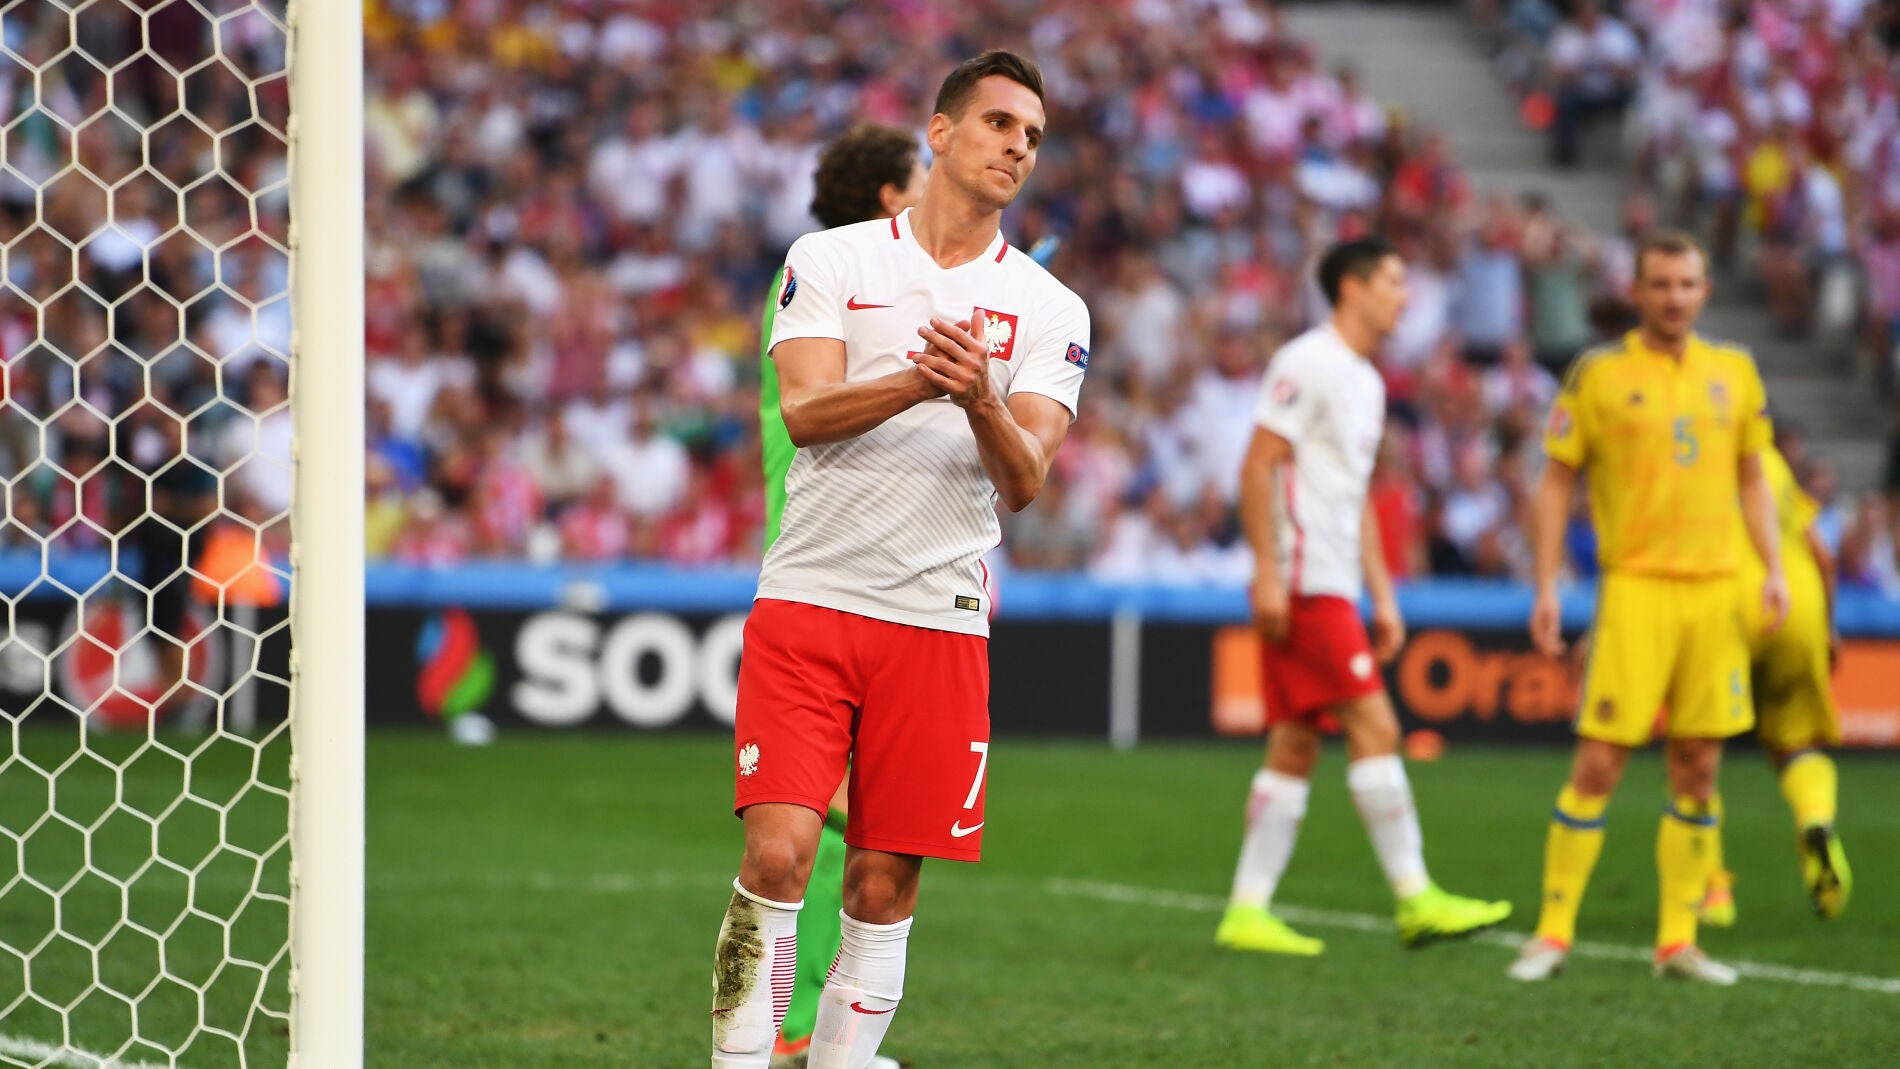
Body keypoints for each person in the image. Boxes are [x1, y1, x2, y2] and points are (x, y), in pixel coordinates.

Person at [709, 51, 1089, 1069]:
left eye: (1032, 136)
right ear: (940, 132)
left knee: (883, 884)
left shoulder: (1052, 309)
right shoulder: (830, 260)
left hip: (937, 619)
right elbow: (806, 411)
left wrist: (980, 399)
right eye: (1000, 123)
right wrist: (923, 382)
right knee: (778, 854)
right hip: (809, 600)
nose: (1017, 145)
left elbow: (1026, 476)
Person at [1215, 237, 1511, 957]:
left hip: (1336, 580)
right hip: (1305, 580)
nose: (1405, 297)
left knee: (1296, 740)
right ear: (1352, 286)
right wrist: (1265, 572)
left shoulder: (1369, 381)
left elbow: (1355, 499)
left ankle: (1246, 909)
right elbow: (1257, 469)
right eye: (1393, 281)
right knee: (1376, 728)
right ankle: (1416, 897)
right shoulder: (1307, 362)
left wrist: (1383, 595)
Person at [1509, 232, 1788, 986]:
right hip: (1634, 588)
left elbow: (1753, 478)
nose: (1674, 296)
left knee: (1697, 768)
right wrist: (1545, 585)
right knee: (1599, 760)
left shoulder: (1734, 372)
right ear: (1635, 292)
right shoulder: (1598, 375)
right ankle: (1553, 931)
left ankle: (1679, 941)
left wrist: (1773, 568)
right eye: (1660, 283)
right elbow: (1556, 481)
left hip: (1714, 591)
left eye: (1687, 283)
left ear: (1705, 292)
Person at [756, 121, 924, 1069]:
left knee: (832, 833)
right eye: (920, 182)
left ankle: (799, 1035)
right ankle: (799, 1040)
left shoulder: (801, 290)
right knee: (841, 828)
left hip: (829, 566)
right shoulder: (837, 291)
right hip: (839, 577)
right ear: (892, 200)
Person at [1697, 438, 1850, 927]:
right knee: (1797, 743)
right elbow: (1822, 555)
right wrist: (1827, 626)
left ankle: (1713, 888)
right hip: (1796, 600)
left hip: (1728, 602)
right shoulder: (1772, 462)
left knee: (1697, 745)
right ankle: (1815, 819)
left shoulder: (1695, 453)